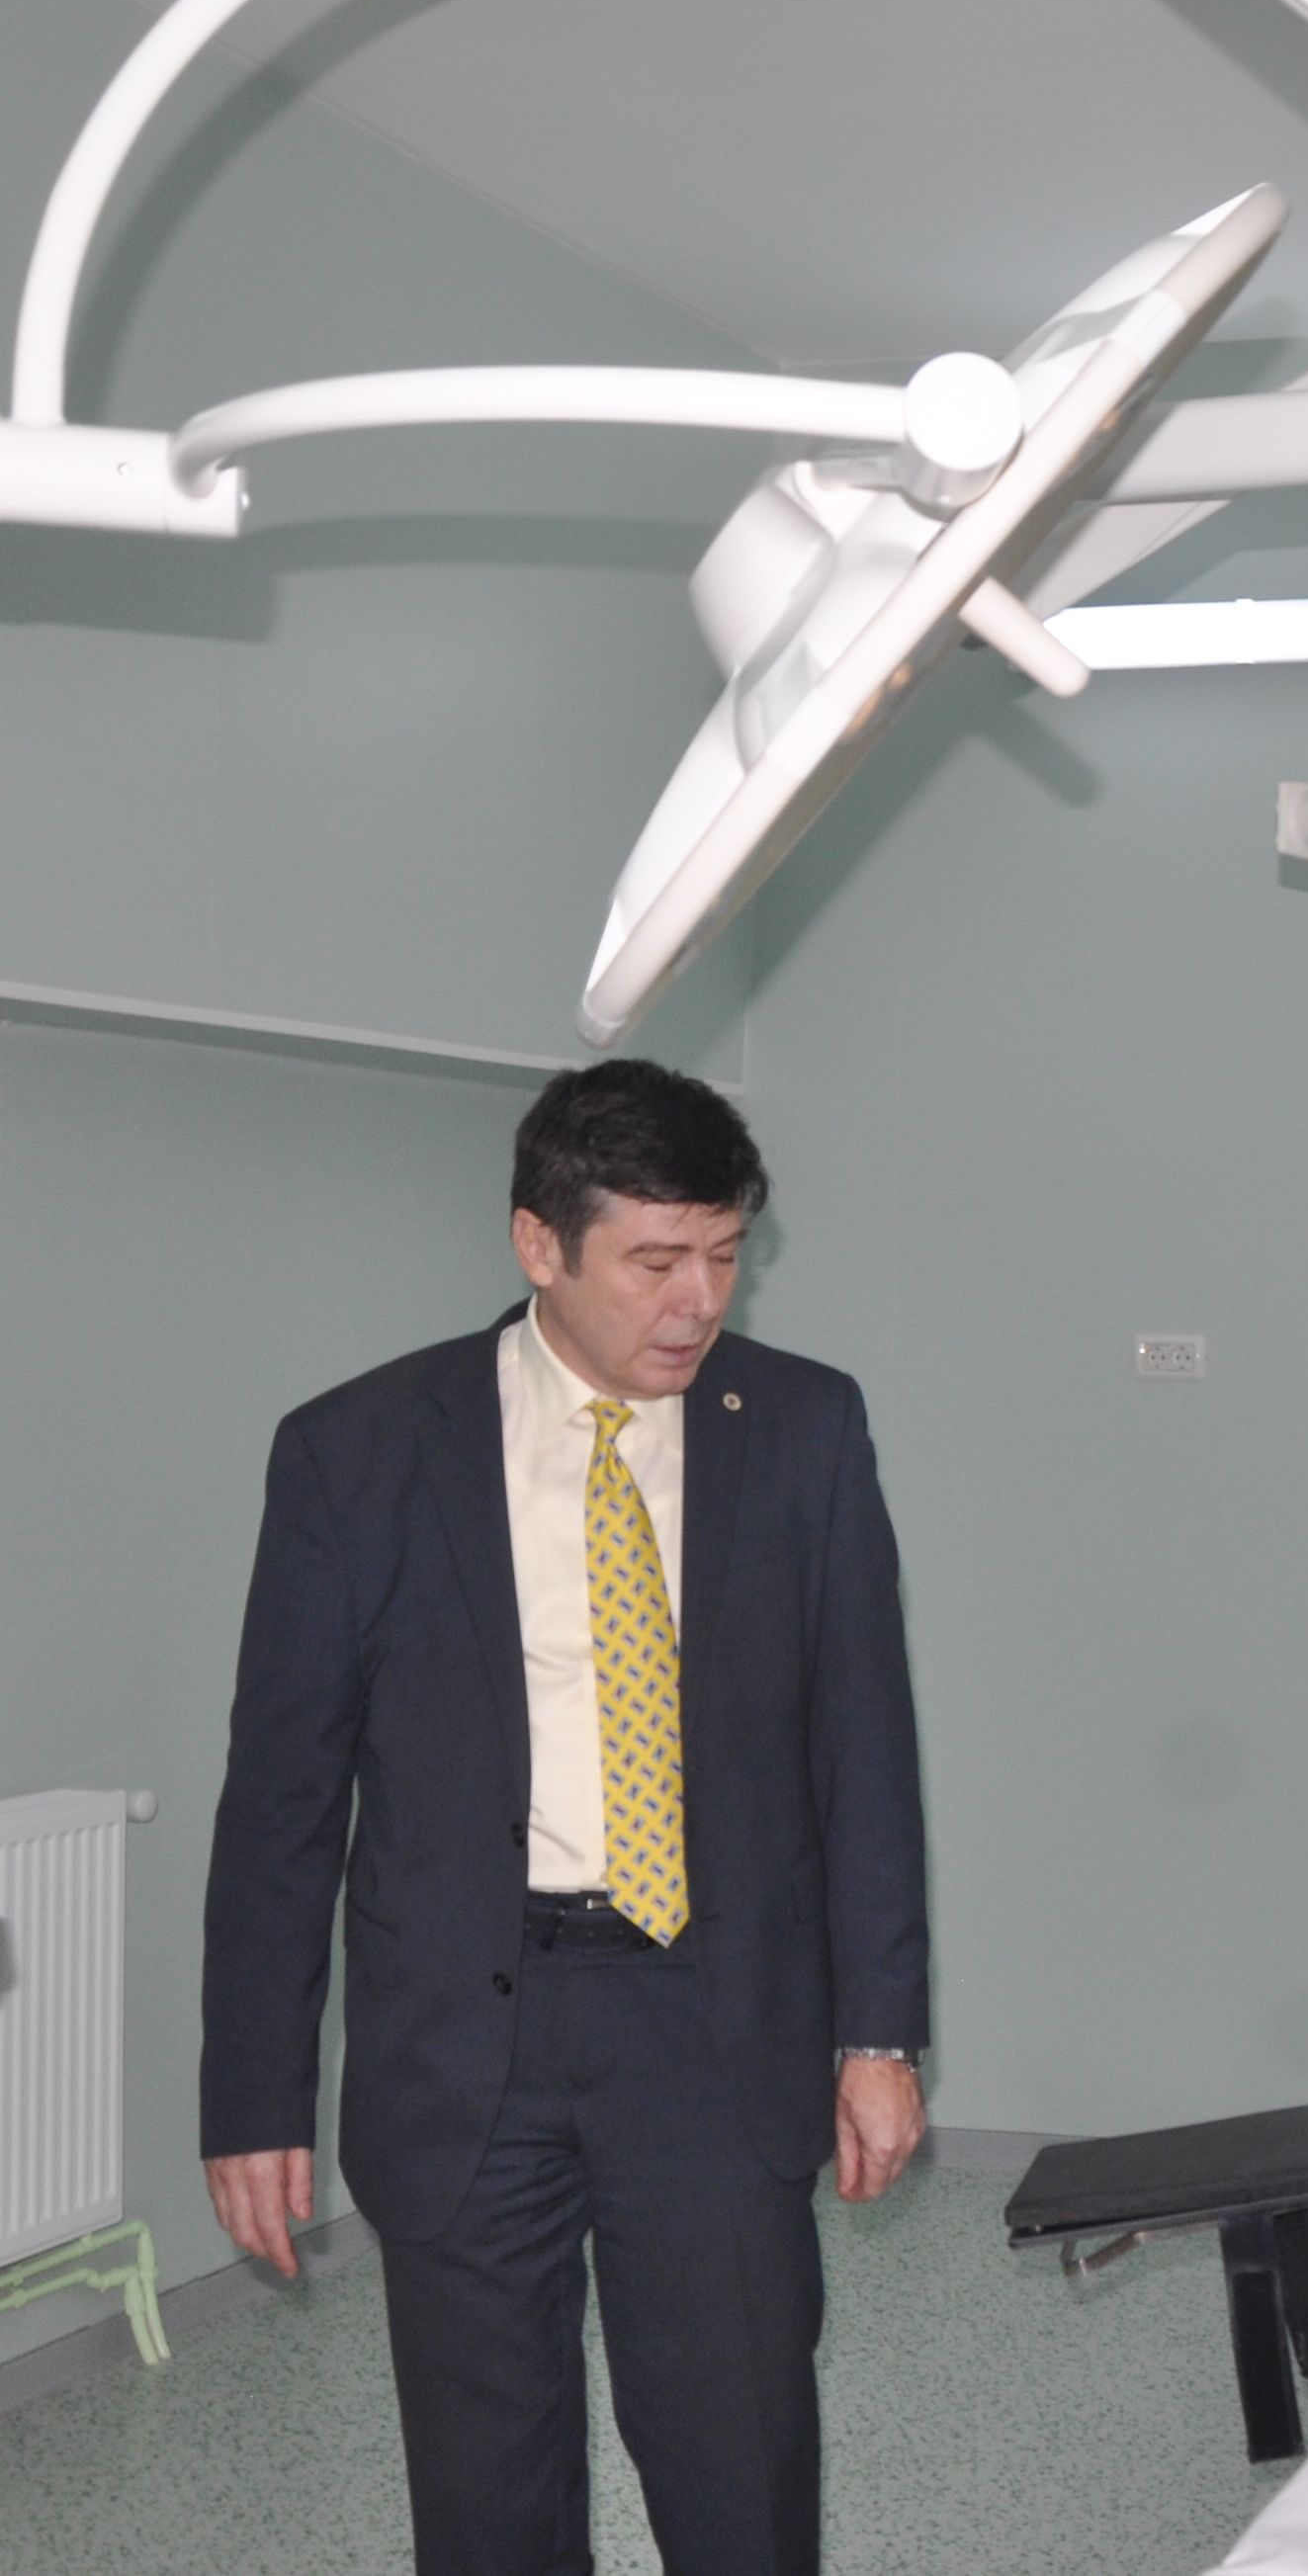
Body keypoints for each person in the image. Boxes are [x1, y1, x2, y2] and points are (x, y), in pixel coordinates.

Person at [199, 1060, 929, 2576]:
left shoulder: (804, 1428)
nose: (697, 1300)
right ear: (540, 1243)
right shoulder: (360, 1450)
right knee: (489, 2511)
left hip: (711, 2024)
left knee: (740, 2477)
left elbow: (862, 1749)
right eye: (655, 1261)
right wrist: (253, 2091)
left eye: (723, 1253)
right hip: (465, 2037)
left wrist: (878, 2033)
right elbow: (281, 1799)